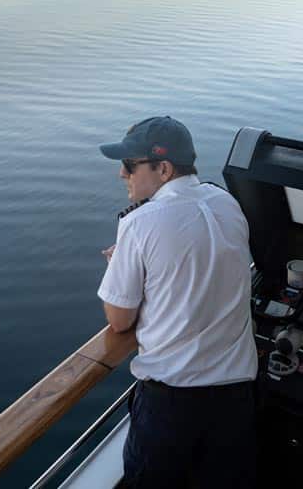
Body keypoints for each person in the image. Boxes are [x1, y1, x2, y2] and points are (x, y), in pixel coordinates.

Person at [97, 116, 257, 488]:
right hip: (237, 398)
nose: (123, 174)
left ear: (163, 168)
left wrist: (119, 264)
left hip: (172, 406)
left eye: (130, 165)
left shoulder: (140, 223)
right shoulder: (227, 201)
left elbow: (119, 320)